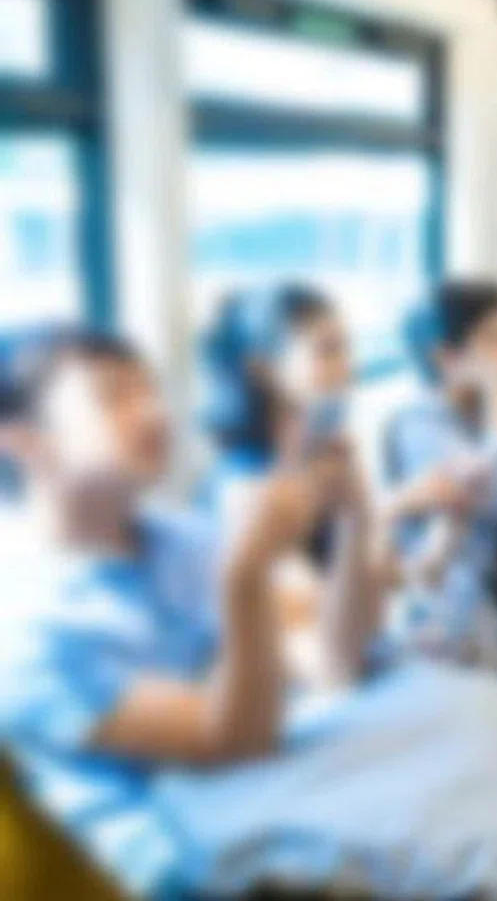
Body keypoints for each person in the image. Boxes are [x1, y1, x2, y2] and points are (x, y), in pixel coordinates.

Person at [0, 329, 356, 896]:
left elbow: (331, 658)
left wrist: (354, 512)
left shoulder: (180, 535)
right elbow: (235, 742)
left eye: (151, 391)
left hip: (282, 804)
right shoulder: (23, 625)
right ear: (25, 442)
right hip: (193, 873)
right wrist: (250, 571)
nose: (152, 415)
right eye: (114, 396)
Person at [198, 284, 391, 686]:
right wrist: (360, 520)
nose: (349, 368)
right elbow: (334, 658)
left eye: (346, 349)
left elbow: (375, 606)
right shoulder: (245, 490)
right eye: (328, 350)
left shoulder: (323, 463)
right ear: (264, 369)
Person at [384, 279, 497, 667]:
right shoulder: (418, 427)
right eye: (496, 340)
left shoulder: (477, 414)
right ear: (447, 358)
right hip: (472, 625)